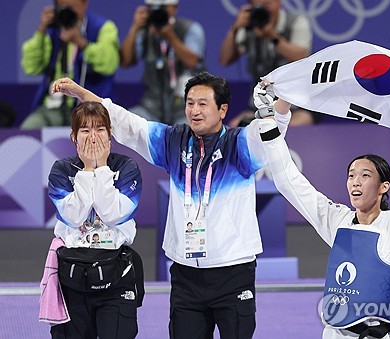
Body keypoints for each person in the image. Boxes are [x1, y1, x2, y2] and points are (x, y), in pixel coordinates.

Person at [51, 72, 292, 338]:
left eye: (203, 103)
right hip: (185, 275)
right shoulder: (172, 141)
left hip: (233, 272)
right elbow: (126, 123)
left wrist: (287, 99)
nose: (194, 110)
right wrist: (81, 93)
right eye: (190, 103)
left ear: (222, 109)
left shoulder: (240, 145)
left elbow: (271, 132)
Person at [256, 74, 390, 338]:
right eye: (351, 174)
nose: (355, 181)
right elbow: (289, 183)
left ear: (384, 186)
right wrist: (266, 121)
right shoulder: (338, 222)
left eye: (365, 175)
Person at [45, 101, 144, 338]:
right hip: (72, 276)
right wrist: (88, 169)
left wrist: (100, 169)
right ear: (74, 137)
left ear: (110, 135)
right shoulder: (61, 170)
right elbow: (73, 216)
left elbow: (113, 215)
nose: (93, 137)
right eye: (85, 130)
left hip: (116, 272)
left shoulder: (127, 167)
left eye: (100, 129)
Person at [20, 0, 120, 129]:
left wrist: (81, 43)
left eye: (72, 7)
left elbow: (109, 64)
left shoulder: (102, 27)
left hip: (90, 109)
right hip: (53, 108)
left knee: (92, 133)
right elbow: (31, 67)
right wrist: (42, 30)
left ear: (84, 4)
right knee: (29, 128)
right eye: (63, 7)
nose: (68, 10)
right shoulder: (52, 30)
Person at [219, 0, 319, 127]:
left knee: (292, 125)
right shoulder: (250, 26)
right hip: (262, 105)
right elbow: (225, 59)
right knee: (236, 125)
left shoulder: (295, 22)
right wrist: (235, 29)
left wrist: (272, 36)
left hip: (298, 105)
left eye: (270, 0)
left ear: (279, 2)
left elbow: (300, 57)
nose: (266, 2)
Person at [120, 0, 206, 124]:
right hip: (151, 107)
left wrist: (170, 36)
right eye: (153, 7)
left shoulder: (190, 29)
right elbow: (126, 62)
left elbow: (193, 61)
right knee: (128, 124)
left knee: (190, 129)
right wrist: (135, 28)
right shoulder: (145, 32)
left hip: (185, 108)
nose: (159, 11)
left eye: (163, 7)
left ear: (175, 7)